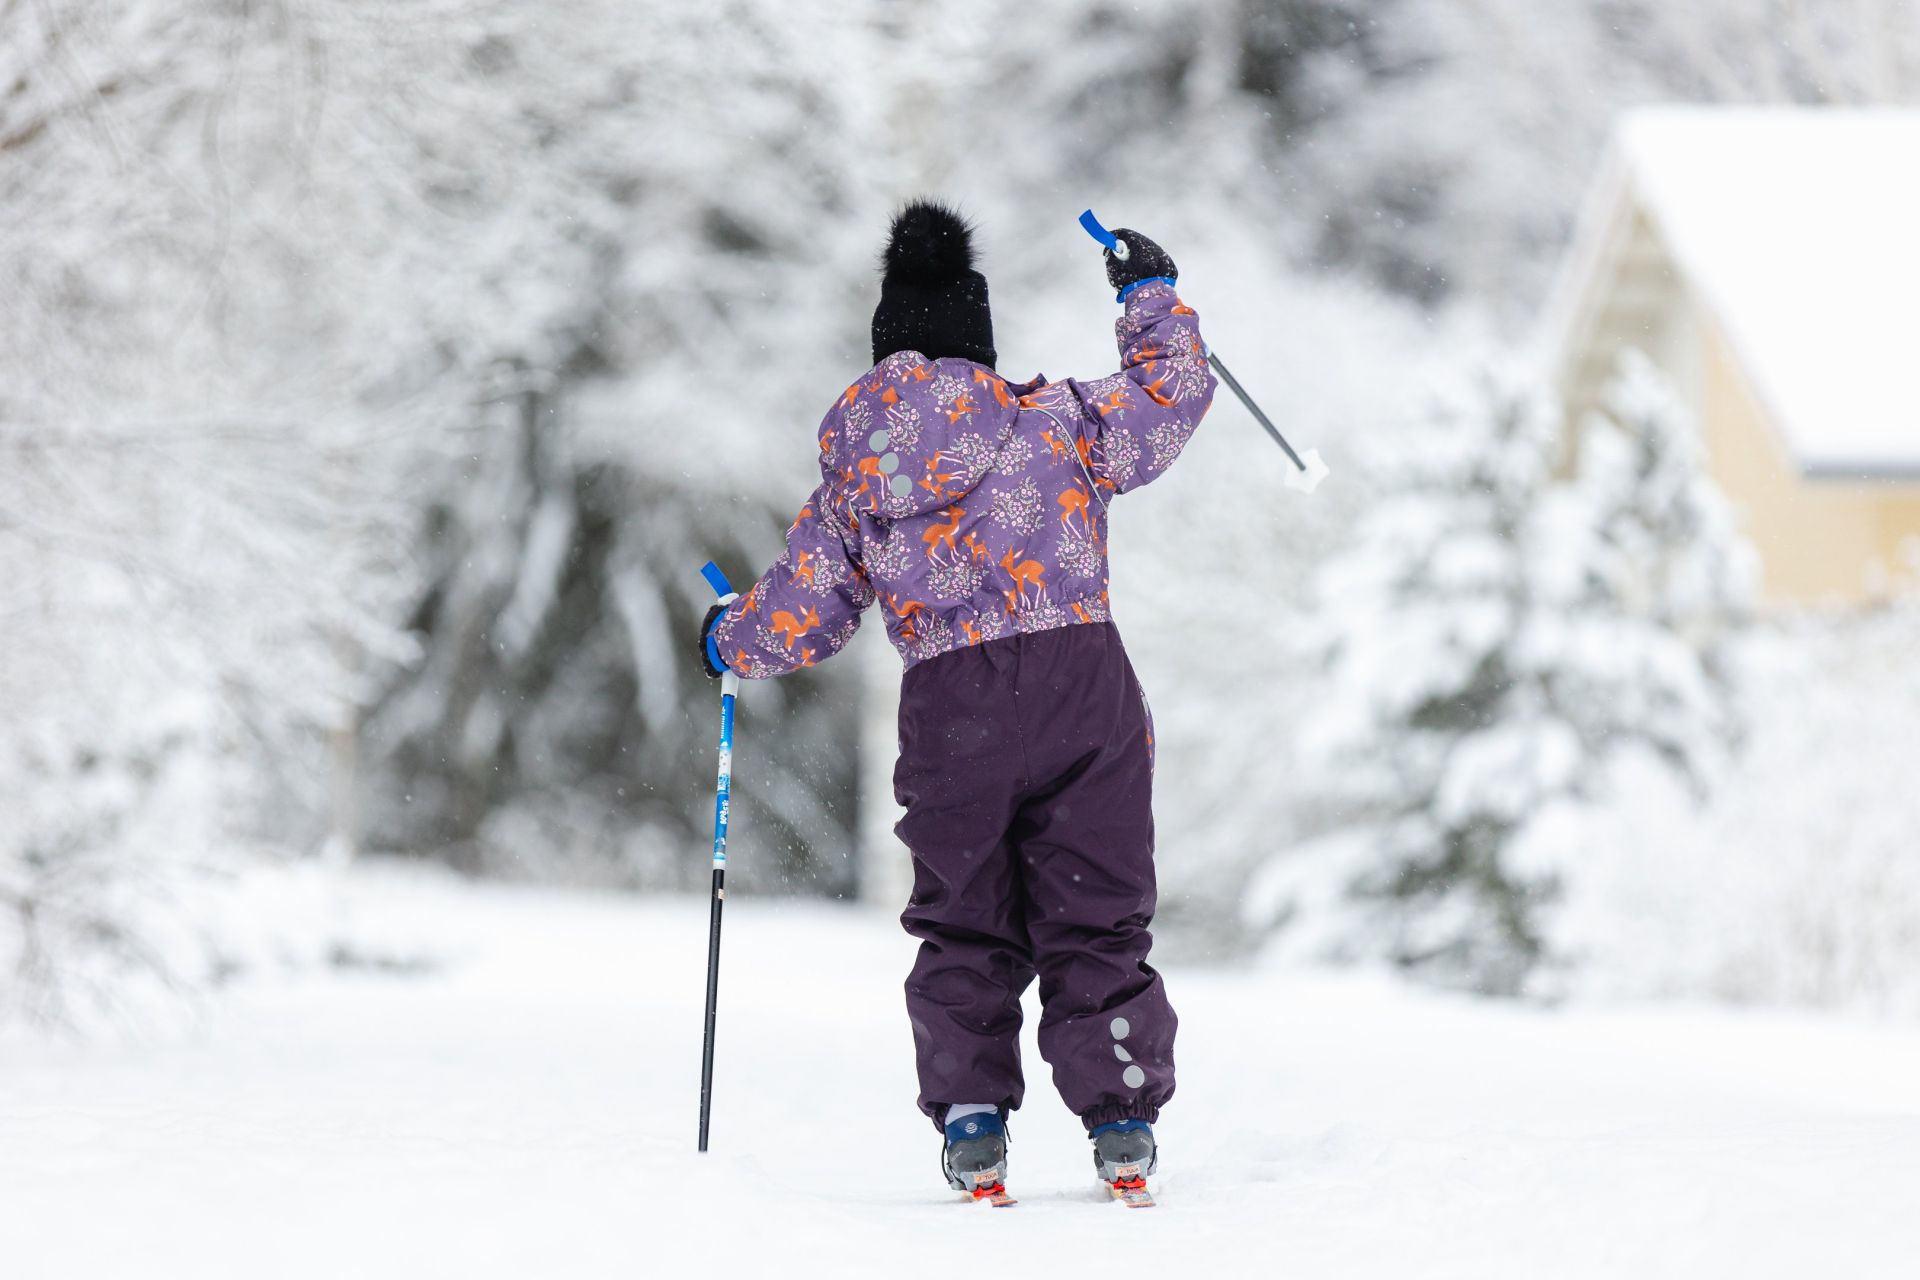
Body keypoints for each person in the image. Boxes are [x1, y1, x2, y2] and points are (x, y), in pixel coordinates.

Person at [696, 200, 1215, 1201]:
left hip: (951, 709)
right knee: (1096, 908)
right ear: (979, 341)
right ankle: (1121, 1117)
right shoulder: (1055, 420)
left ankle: (974, 1119)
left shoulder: (857, 478)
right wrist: (1148, 292)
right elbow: (1172, 395)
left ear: (888, 347)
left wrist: (725, 636)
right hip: (1081, 684)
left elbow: (802, 610)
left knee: (965, 919)